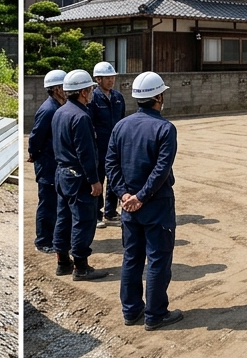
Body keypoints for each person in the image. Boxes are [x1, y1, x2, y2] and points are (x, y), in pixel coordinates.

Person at [106, 71, 183, 330]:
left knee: (132, 257)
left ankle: (131, 311)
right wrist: (141, 196)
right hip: (156, 203)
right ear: (158, 96)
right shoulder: (164, 128)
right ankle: (155, 314)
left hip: (129, 206)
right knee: (158, 258)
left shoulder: (121, 126)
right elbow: (161, 169)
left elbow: (111, 163)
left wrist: (124, 194)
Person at [51, 69, 110, 281]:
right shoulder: (81, 116)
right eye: (90, 90)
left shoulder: (60, 112)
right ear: (84, 92)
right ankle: (81, 267)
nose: (92, 93)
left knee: (64, 217)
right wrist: (94, 180)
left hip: (62, 174)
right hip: (79, 178)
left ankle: (63, 261)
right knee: (83, 220)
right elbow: (86, 153)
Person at [27, 69, 68, 254]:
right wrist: (34, 155)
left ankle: (53, 238)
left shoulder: (59, 107)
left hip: (54, 162)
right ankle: (43, 241)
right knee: (48, 202)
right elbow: (35, 137)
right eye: (65, 87)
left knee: (56, 202)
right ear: (57, 89)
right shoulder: (49, 109)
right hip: (47, 163)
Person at [89, 61, 126, 227]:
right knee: (98, 179)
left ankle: (110, 212)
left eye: (112, 77)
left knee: (114, 179)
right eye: (107, 78)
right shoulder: (93, 99)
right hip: (99, 147)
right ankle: (96, 214)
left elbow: (123, 121)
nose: (111, 80)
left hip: (115, 146)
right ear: (98, 79)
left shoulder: (118, 98)